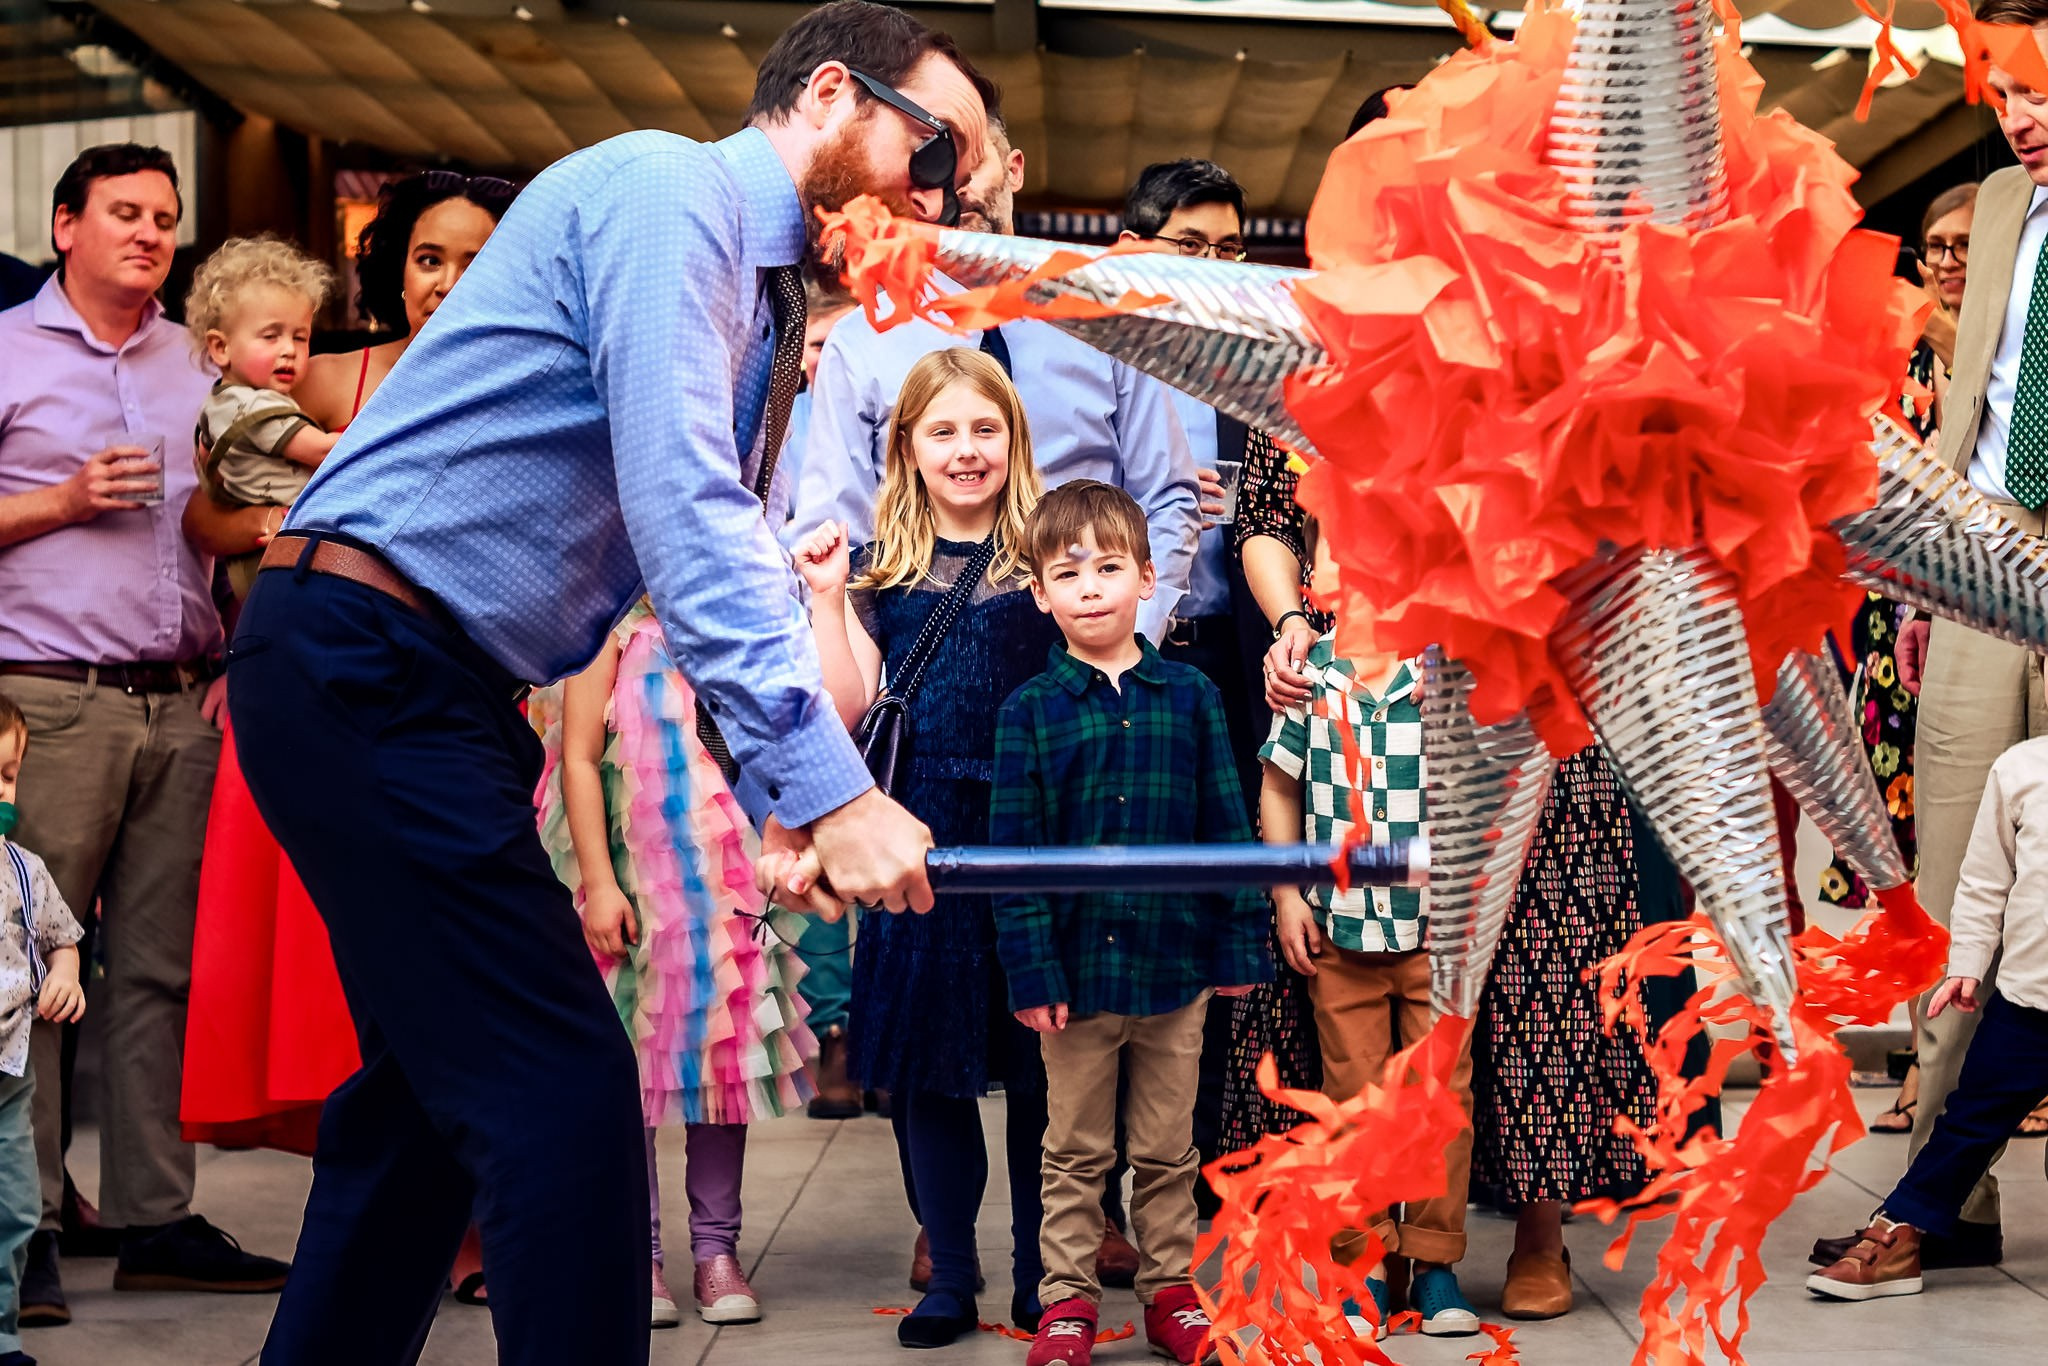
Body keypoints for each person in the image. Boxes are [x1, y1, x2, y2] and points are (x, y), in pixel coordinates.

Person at [224, 3, 991, 1362]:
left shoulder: (757, 295)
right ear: (832, 94)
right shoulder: (668, 194)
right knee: (567, 1091)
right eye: (935, 158)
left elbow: (732, 571)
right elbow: (687, 516)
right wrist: (836, 790)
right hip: (365, 656)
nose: (936, 203)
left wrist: (788, 810)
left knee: (427, 1114)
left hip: (416, 677)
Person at [177, 169, 512, 1303]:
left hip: (463, 705)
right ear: (395, 268)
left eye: (472, 258)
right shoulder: (325, 371)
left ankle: (461, 1230)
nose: (447, 280)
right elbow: (205, 505)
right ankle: (389, 1228)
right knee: (352, 986)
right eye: (428, 257)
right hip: (323, 695)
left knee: (462, 978)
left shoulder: (521, 374)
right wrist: (286, 529)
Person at [0, 141, 289, 1328]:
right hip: (45, 698)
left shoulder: (195, 363)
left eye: (165, 217)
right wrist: (62, 502)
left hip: (180, 695)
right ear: (65, 225)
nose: (150, 234)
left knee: (159, 970)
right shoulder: (8, 350)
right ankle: (25, 1231)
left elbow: (218, 515)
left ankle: (155, 1216)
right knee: (25, 979)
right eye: (124, 213)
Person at [1813, 3, 2048, 1275]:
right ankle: (1945, 1202)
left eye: (2034, 90)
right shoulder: (2006, 208)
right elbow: (1977, 392)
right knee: (1960, 883)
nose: (2017, 118)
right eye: (1998, 92)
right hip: (1979, 557)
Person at [793, 346, 1058, 1345]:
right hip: (921, 838)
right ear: (903, 444)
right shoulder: (882, 567)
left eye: (984, 429)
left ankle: (1046, 1266)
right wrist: (823, 598)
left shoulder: (1047, 555)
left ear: (1013, 439)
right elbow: (850, 699)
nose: (965, 449)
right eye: (942, 430)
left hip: (1033, 835)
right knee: (929, 1069)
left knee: (1043, 1069)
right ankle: (950, 1271)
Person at [991, 480, 1269, 1366]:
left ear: (1147, 577)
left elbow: (1228, 828)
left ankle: (1171, 1292)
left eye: (1109, 567)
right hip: (1074, 980)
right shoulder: (1028, 713)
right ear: (1039, 592)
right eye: (1067, 573)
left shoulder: (1189, 696)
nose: (1090, 587)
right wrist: (1032, 976)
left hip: (1174, 970)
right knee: (1073, 1150)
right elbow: (1015, 860)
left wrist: (1237, 944)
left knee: (1165, 1147)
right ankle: (1066, 1301)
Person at [790, 117, 1202, 643]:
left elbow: (1166, 498)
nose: (954, 182)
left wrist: (1128, 642)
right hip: (927, 657)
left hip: (1088, 652)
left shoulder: (1102, 314)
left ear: (1014, 169)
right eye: (934, 166)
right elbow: (836, 529)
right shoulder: (863, 334)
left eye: (971, 160)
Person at [537, 603, 812, 1328]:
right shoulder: (609, 627)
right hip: (628, 872)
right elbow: (577, 756)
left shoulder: (734, 616)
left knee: (718, 1058)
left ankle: (716, 1248)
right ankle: (642, 1251)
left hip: (721, 875)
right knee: (626, 1061)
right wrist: (598, 881)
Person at [1117, 157, 1274, 1213]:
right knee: (1145, 901)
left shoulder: (1267, 362)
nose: (1215, 269)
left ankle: (1235, 1161)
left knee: (1243, 898)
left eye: (1229, 250)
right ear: (1140, 247)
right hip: (1147, 654)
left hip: (1250, 656)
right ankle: (1131, 1176)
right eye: (1192, 248)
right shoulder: (1109, 346)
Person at [1261, 612, 1480, 1338]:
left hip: (1439, 936)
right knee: (1351, 1101)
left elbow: (1489, 788)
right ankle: (1364, 1264)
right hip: (1341, 936)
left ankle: (1435, 1260)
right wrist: (1288, 894)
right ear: (1315, 572)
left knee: (1440, 1099)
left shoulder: (1452, 672)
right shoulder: (1308, 677)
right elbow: (1280, 787)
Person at [1822, 181, 1978, 1137]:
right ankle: (1930, 1060)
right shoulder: (1898, 364)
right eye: (1934, 248)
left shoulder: (2000, 359)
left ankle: (1998, 1065)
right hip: (1894, 636)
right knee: (1919, 862)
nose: (1949, 261)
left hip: (1988, 610)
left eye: (1966, 245)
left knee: (2005, 856)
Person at [1807, 731, 2048, 1301]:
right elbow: (1986, 881)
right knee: (1968, 1124)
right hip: (2030, 1001)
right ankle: (1900, 1235)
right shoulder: (2022, 769)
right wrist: (1966, 963)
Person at [788, 277, 869, 1122]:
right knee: (813, 827)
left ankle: (875, 1023)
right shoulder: (780, 427)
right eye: (816, 346)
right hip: (798, 634)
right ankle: (835, 1030)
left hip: (876, 622)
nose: (827, 362)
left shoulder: (878, 412)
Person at [0, 691, 87, 1366]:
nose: (1, 788)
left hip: (11, 1073)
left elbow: (60, 937)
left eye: (6, 773)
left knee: (16, 1210)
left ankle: (2, 1336)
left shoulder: (26, 870)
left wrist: (65, 974)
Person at [185, 236, 342, 601]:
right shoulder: (253, 409)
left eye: (300, 337)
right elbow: (322, 451)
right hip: (280, 556)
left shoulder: (220, 403)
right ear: (220, 347)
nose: (289, 350)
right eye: (271, 336)